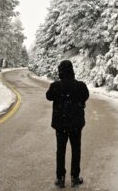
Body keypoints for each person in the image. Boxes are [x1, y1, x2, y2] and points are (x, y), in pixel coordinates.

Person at [46, 60, 89, 188]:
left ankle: (60, 178)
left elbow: (48, 96)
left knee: (60, 151)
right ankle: (75, 177)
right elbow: (85, 96)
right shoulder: (81, 86)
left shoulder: (55, 86)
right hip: (76, 124)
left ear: (60, 71)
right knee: (76, 150)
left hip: (61, 124)